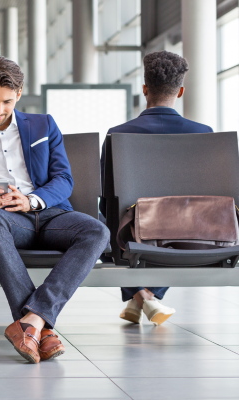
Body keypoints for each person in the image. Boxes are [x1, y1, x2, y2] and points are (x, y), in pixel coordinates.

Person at [0, 55, 109, 364]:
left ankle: (31, 323)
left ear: (18, 94)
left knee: (97, 230)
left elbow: (64, 179)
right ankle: (41, 327)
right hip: (6, 221)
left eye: (7, 101)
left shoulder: (43, 124)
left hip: (50, 215)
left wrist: (32, 200)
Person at [101, 50, 213, 326]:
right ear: (181, 91)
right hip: (192, 236)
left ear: (144, 89)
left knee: (120, 230)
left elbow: (106, 203)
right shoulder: (204, 134)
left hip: (134, 236)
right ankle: (147, 296)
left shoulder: (118, 134)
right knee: (172, 231)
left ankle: (141, 295)